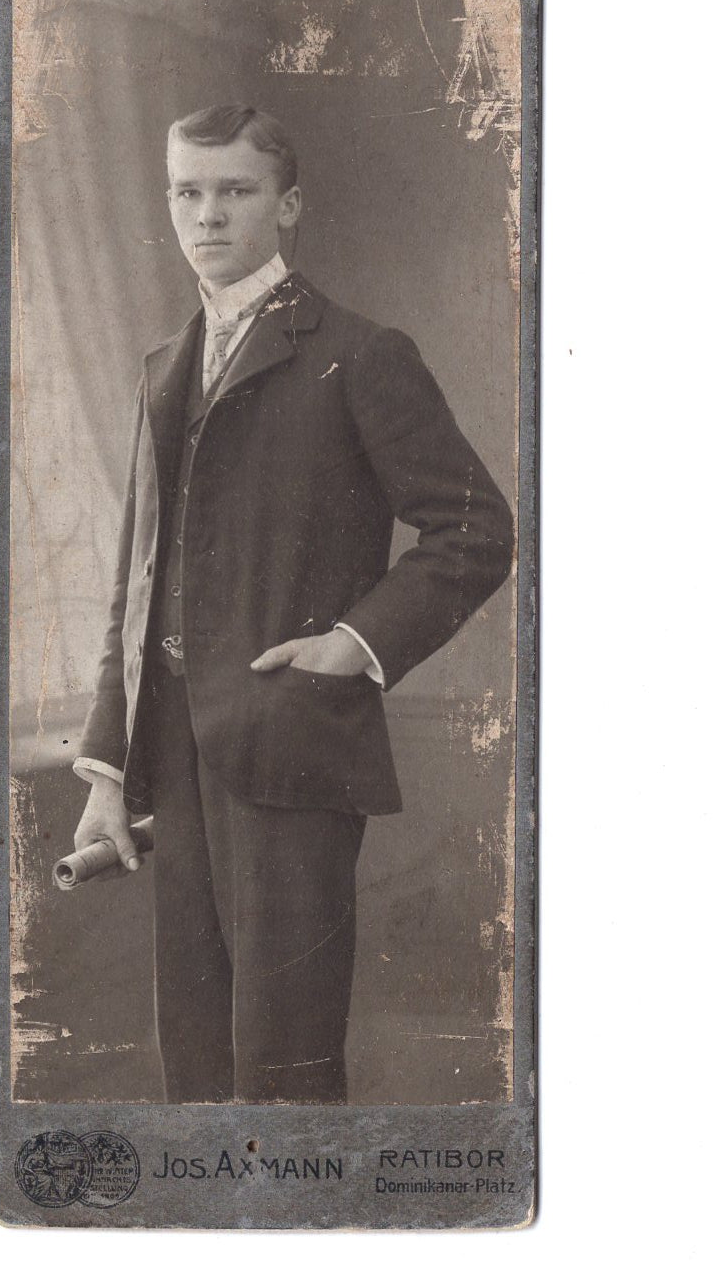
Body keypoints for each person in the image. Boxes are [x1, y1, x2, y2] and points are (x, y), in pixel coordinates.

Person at [73, 103, 513, 1105]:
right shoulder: (162, 367)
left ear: (289, 205)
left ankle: (299, 1208)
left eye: (236, 190)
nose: (208, 214)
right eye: (188, 191)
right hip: (174, 755)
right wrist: (107, 769)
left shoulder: (359, 352)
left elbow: (476, 529)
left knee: (284, 1063)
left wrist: (353, 642)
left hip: (292, 743)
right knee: (195, 1058)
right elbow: (135, 581)